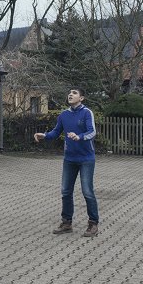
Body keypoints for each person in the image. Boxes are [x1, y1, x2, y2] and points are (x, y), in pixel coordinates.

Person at [34, 88, 99, 237]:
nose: (70, 94)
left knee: (87, 192)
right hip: (69, 159)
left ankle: (93, 224)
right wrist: (44, 135)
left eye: (74, 93)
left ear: (81, 98)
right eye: (69, 93)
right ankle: (66, 223)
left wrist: (79, 137)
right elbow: (56, 132)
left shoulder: (87, 113)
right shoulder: (64, 115)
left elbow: (92, 131)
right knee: (65, 191)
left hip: (86, 159)